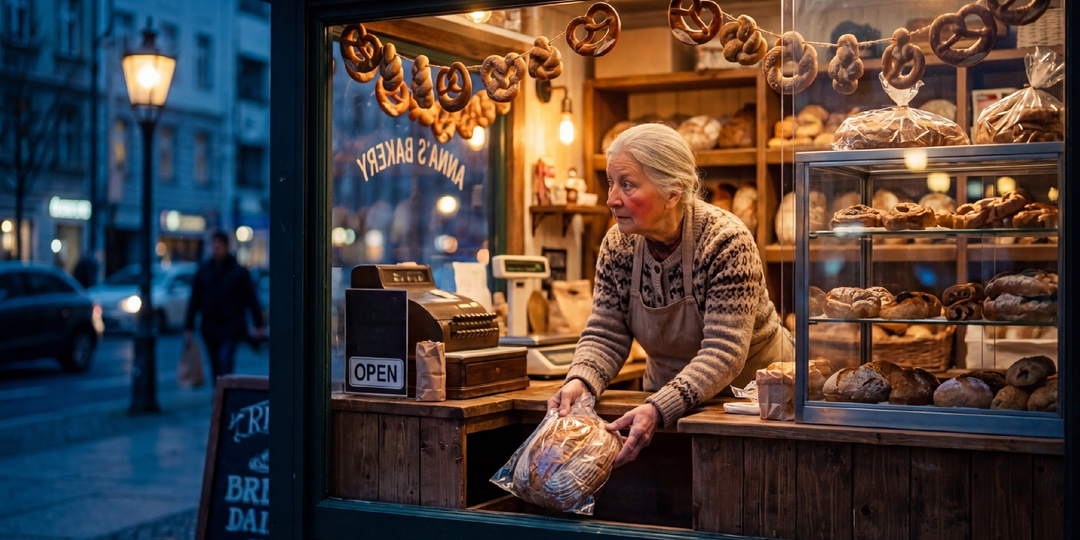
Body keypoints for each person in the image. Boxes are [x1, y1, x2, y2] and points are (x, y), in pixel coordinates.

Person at [546, 123, 792, 468]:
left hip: (755, 405)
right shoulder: (618, 245)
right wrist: (580, 381)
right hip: (663, 401)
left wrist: (660, 407)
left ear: (673, 194)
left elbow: (724, 352)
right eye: (611, 182)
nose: (611, 198)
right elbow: (606, 333)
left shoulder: (725, 241)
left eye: (627, 184)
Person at [184, 231, 265, 381]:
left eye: (219, 246)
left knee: (225, 362)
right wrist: (188, 326)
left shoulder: (238, 272)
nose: (215, 250)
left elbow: (251, 299)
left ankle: (224, 396)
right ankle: (218, 397)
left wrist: (258, 324)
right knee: (215, 365)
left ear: (226, 247)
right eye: (213, 246)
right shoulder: (204, 270)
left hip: (231, 326)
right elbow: (195, 299)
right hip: (210, 326)